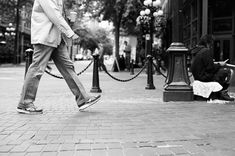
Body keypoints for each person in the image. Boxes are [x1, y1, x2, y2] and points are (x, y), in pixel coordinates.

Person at [17, 0, 101, 114]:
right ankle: (25, 103)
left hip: (57, 39)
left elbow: (59, 15)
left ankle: (83, 99)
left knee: (68, 67)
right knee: (37, 69)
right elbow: (54, 14)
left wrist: (69, 22)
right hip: (45, 37)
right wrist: (69, 32)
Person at [191, 34, 234, 101]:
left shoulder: (197, 51)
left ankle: (221, 92)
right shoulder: (205, 51)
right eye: (211, 44)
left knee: (222, 72)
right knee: (229, 72)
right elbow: (210, 68)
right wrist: (220, 65)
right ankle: (223, 92)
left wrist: (216, 64)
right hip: (204, 77)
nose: (211, 46)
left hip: (198, 76)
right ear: (208, 43)